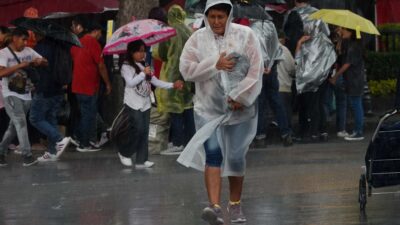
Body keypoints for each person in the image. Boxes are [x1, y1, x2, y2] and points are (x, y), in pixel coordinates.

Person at [178, 0, 263, 224]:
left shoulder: (245, 35)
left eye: (220, 17)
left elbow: (256, 69)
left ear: (229, 16)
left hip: (240, 111)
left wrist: (241, 97)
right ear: (206, 16)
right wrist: (213, 64)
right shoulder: (197, 39)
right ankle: (214, 207)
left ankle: (235, 205)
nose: (216, 22)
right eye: (212, 17)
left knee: (235, 157)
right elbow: (186, 70)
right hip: (207, 109)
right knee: (213, 155)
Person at [117, 40, 183, 168]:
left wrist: (172, 85)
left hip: (145, 103)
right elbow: (130, 83)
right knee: (137, 129)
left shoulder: (144, 66)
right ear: (132, 52)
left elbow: (155, 82)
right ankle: (124, 152)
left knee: (144, 131)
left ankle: (142, 160)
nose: (142, 54)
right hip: (132, 103)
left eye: (144, 51)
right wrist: (143, 74)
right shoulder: (126, 66)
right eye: (139, 51)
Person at [284, 0, 336, 142]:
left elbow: (290, 38)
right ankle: (322, 131)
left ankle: (309, 131)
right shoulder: (319, 13)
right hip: (323, 61)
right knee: (321, 100)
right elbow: (327, 33)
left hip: (305, 63)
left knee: (306, 101)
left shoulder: (292, 15)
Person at [0, 28, 47, 167]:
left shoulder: (28, 51)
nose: (25, 43)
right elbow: (1, 73)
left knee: (14, 126)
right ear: (14, 38)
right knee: (20, 122)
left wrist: (40, 61)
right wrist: (20, 65)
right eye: (23, 39)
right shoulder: (3, 53)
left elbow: (45, 62)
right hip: (10, 94)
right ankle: (27, 156)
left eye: (27, 40)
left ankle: (1, 151)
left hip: (26, 94)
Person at [155, 5, 195, 155]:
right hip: (189, 74)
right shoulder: (189, 31)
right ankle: (191, 140)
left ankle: (177, 143)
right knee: (187, 107)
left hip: (173, 74)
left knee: (175, 108)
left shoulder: (169, 32)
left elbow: (161, 53)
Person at [29, 33, 72, 162]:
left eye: (34, 33)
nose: (33, 35)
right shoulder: (61, 47)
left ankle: (60, 139)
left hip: (44, 88)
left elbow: (34, 67)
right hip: (58, 88)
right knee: (50, 118)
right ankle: (52, 152)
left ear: (41, 33)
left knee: (35, 118)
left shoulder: (40, 48)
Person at [250, 19, 293, 146]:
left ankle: (260, 136)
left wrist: (262, 66)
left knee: (261, 104)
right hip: (271, 70)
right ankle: (286, 133)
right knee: (277, 102)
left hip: (259, 70)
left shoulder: (252, 28)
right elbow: (276, 49)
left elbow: (252, 50)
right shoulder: (271, 26)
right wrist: (270, 65)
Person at [70, 23, 112, 152]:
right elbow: (101, 65)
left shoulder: (76, 43)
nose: (100, 36)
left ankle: (83, 138)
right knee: (89, 115)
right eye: (100, 33)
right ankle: (85, 143)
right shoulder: (93, 42)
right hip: (89, 86)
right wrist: (108, 83)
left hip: (77, 85)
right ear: (96, 31)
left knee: (85, 113)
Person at [329, 27, 365, 141]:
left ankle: (358, 131)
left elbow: (347, 64)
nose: (342, 31)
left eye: (344, 29)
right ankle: (357, 130)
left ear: (350, 32)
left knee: (356, 105)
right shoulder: (350, 44)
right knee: (355, 104)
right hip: (352, 79)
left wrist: (336, 76)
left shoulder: (354, 46)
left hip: (355, 80)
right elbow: (340, 54)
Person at [277, 35, 296, 130]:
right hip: (284, 86)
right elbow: (292, 68)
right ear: (282, 39)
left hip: (271, 87)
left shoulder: (266, 48)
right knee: (286, 112)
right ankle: (287, 133)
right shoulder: (284, 49)